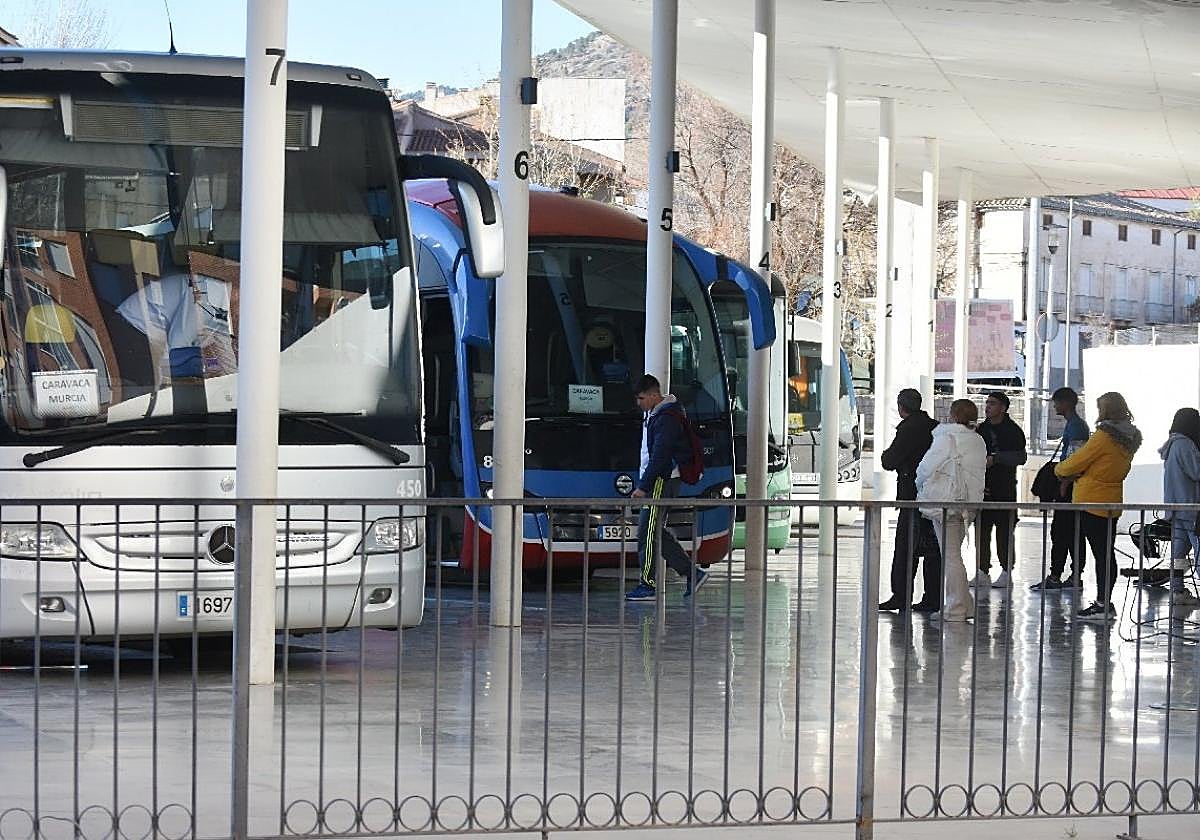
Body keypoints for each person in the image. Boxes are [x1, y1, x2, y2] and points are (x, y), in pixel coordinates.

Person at [1055, 392, 1142, 621]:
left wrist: (1060, 470)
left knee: (1100, 554)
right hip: (1112, 499)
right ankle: (1105, 601)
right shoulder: (1130, 437)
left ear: (1107, 410)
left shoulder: (1104, 436)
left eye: (1100, 407)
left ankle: (1102, 604)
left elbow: (1079, 460)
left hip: (1091, 499)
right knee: (1106, 553)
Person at [625, 374, 707, 601]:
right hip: (661, 480)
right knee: (653, 532)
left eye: (641, 398)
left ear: (653, 395)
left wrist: (644, 486)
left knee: (646, 533)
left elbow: (660, 456)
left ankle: (647, 584)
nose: (638, 403)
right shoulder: (657, 414)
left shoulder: (667, 418)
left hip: (662, 481)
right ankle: (692, 573)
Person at [916, 399, 987, 622]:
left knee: (951, 557)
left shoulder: (946, 437)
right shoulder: (978, 440)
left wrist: (919, 486)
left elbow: (926, 467)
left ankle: (955, 608)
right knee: (954, 554)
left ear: (954, 415)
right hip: (969, 504)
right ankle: (966, 604)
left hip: (946, 503)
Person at [878, 388, 943, 612]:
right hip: (934, 495)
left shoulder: (907, 430)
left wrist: (886, 455)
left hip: (911, 496)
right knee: (933, 548)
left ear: (901, 407)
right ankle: (932, 597)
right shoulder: (936, 428)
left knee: (906, 548)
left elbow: (890, 460)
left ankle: (900, 596)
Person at [1031, 387, 1090, 592]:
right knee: (1070, 531)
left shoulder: (1076, 428)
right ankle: (1069, 574)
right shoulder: (1074, 426)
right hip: (1070, 485)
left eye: (1056, 402)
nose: (1054, 406)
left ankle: (1058, 574)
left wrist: (1065, 482)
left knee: (1064, 531)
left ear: (1065, 403)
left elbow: (1076, 459)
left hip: (1070, 487)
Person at [974, 391, 1027, 590]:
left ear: (1003, 408)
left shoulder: (1013, 431)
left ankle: (1006, 571)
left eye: (992, 403)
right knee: (982, 529)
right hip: (983, 487)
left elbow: (1020, 457)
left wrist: (996, 458)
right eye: (987, 403)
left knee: (1004, 530)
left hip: (1004, 488)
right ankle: (982, 571)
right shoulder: (982, 429)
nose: (987, 407)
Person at [1159, 407, 1200, 606]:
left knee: (1179, 554)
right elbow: (1197, 472)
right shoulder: (1186, 445)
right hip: (1191, 508)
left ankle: (1177, 591)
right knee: (1199, 551)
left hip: (1176, 508)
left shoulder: (1172, 444)